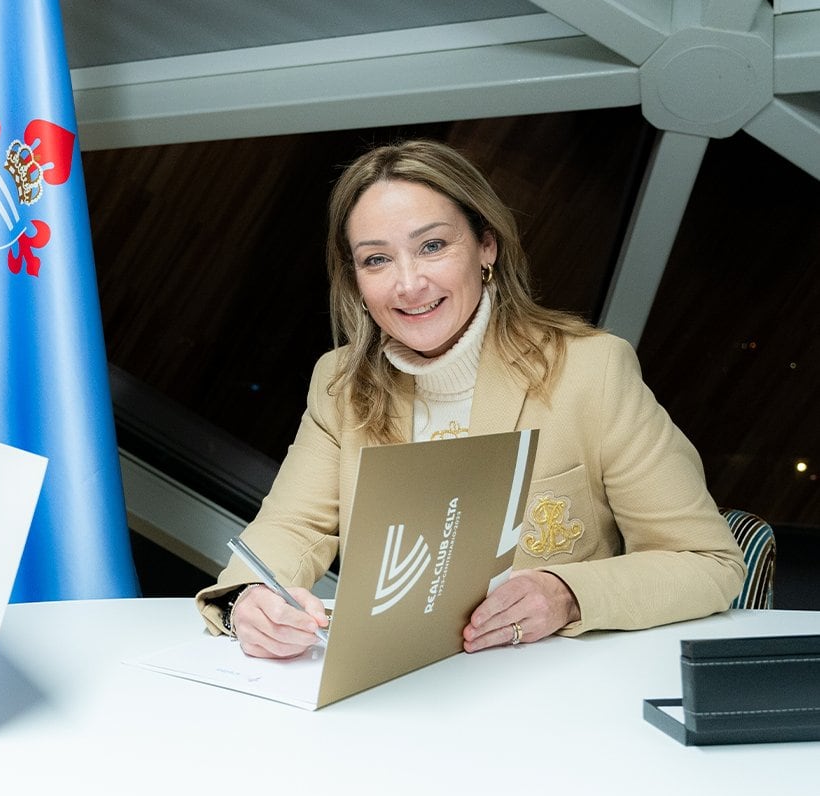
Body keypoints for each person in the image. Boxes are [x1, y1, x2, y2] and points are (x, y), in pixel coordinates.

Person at [197, 139, 744, 658]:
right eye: (376, 260)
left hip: (552, 693)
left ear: (487, 246)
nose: (408, 284)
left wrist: (567, 593)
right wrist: (249, 599)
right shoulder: (339, 382)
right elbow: (294, 526)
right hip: (396, 684)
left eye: (432, 246)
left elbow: (707, 562)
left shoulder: (591, 369)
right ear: (355, 280)